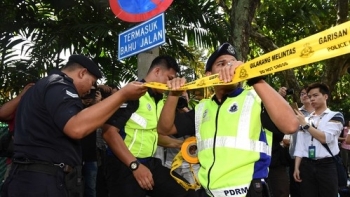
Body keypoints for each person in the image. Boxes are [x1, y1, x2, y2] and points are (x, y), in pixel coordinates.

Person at [157, 43, 299, 197]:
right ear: (208, 75)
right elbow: (164, 129)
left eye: (233, 62)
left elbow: (291, 125)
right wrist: (173, 95)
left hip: (248, 192)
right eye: (221, 64)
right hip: (209, 192)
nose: (229, 67)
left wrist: (254, 77)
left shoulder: (255, 97)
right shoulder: (202, 108)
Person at [1, 54, 147, 197]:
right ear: (82, 73)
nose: (90, 89)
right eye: (91, 82)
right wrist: (123, 95)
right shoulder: (58, 85)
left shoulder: (40, 87)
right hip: (42, 181)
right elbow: (76, 128)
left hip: (29, 177)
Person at [102, 55, 197, 197]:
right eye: (169, 78)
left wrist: (181, 145)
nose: (170, 84)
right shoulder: (132, 93)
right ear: (157, 71)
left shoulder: (158, 101)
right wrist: (135, 166)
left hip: (148, 162)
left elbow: (153, 135)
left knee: (185, 192)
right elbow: (109, 133)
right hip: (123, 165)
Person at [293, 82, 344, 197]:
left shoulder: (335, 116)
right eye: (310, 96)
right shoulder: (306, 119)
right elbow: (300, 145)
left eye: (315, 95)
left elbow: (325, 138)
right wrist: (297, 167)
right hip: (307, 164)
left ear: (325, 96)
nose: (311, 99)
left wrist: (305, 125)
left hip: (327, 165)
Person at [281, 86, 313, 197]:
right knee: (296, 188)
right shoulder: (295, 111)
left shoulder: (320, 113)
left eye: (307, 93)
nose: (304, 96)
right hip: (295, 155)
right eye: (301, 94)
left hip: (314, 156)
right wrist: (281, 96)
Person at [0, 83, 34, 180]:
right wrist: (22, 95)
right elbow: (2, 113)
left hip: (42, 164)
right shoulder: (19, 108)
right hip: (16, 163)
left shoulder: (50, 107)